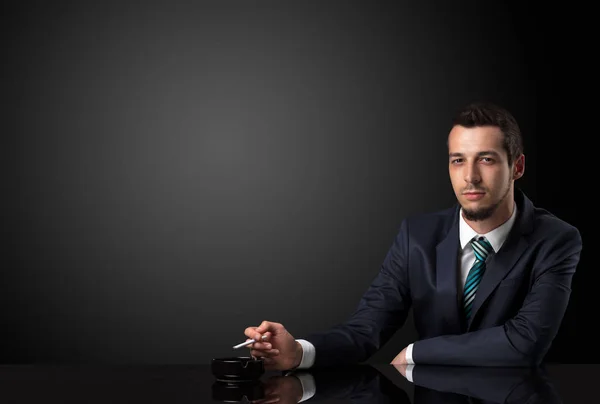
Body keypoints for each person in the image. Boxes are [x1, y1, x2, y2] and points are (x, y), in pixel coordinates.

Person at [243, 101, 582, 370]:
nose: (470, 177)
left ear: (517, 167)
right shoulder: (417, 236)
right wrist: (299, 352)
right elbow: (366, 329)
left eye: (487, 160)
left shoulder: (555, 239)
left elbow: (524, 343)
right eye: (458, 161)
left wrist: (419, 351)